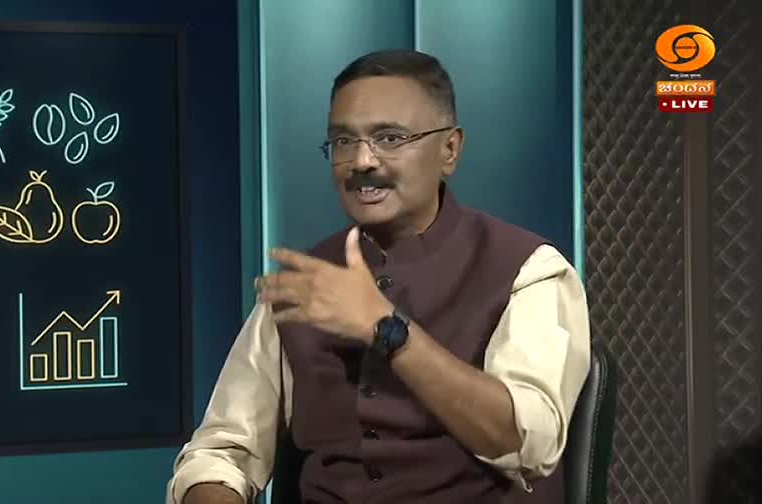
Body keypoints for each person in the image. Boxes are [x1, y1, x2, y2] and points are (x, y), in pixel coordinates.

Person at [168, 49, 590, 504]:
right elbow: (222, 450)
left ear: (450, 149)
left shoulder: (529, 270)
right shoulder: (306, 282)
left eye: (389, 138)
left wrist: (388, 331)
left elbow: (531, 443)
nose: (362, 161)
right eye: (344, 141)